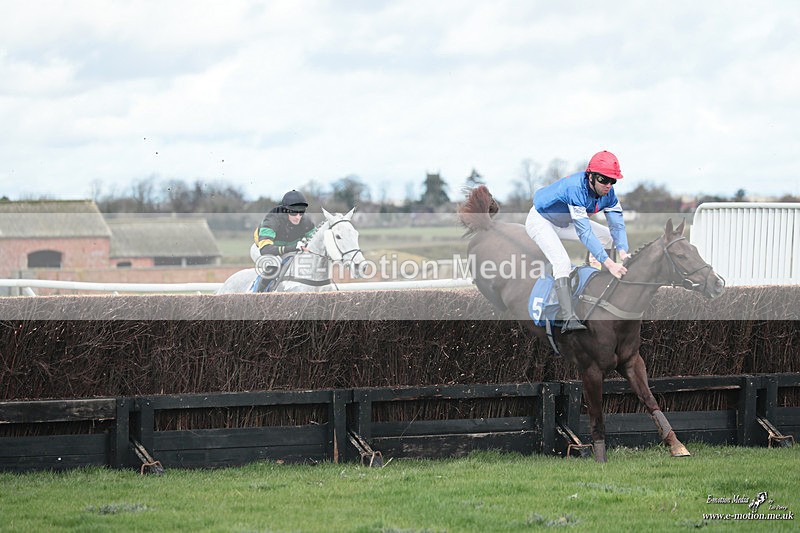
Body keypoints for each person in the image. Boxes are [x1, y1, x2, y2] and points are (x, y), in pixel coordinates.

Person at [525, 150, 631, 333]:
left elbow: (617, 227)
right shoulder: (576, 188)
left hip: (564, 221)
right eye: (603, 180)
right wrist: (610, 263)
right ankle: (568, 318)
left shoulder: (610, 194)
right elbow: (585, 234)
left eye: (612, 181)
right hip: (541, 220)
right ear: (590, 176)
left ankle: (604, 285)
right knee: (562, 262)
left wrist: (623, 252)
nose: (608, 185)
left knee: (606, 236)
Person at [251, 190, 317, 292]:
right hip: (261, 247)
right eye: (294, 213)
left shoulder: (306, 221)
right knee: (273, 265)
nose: (298, 217)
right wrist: (293, 247)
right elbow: (265, 249)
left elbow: (315, 240)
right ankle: (257, 295)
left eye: (301, 212)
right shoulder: (272, 219)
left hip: (286, 248)